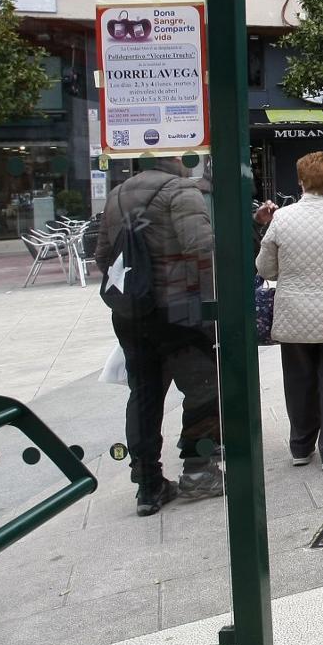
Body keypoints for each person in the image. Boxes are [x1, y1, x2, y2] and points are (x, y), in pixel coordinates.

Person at [95, 157, 223, 516]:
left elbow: (102, 256)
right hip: (179, 310)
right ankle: (198, 470)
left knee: (144, 394)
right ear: (173, 160)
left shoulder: (117, 195)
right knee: (203, 388)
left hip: (132, 312)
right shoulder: (181, 191)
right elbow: (201, 247)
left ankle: (148, 484)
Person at [256, 152, 323, 470]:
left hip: (294, 314)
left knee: (298, 381)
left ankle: (301, 447)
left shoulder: (283, 218)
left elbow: (266, 268)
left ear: (301, 182)